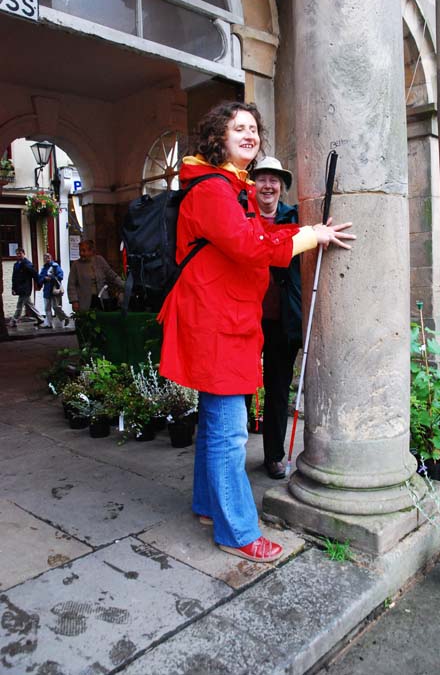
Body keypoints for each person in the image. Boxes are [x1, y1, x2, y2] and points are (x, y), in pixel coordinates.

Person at [157, 101, 355, 564]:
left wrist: (303, 232)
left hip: (221, 317)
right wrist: (309, 236)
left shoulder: (226, 186)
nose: (248, 134)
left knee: (215, 424)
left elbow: (252, 238)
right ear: (217, 137)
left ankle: (208, 506)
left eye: (253, 128)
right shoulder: (212, 188)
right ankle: (237, 530)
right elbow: (248, 245)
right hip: (217, 321)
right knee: (228, 432)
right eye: (237, 128)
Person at [251, 156, 302, 479]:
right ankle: (231, 452)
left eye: (274, 180)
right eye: (261, 179)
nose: (268, 185)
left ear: (281, 186)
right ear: (252, 184)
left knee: (278, 389)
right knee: (237, 388)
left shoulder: (295, 217)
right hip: (246, 318)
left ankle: (273, 455)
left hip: (282, 320)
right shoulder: (243, 217)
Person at [67, 239, 125, 313]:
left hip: (101, 300)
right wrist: (74, 301)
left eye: (84, 251)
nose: (81, 253)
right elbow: (71, 285)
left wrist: (125, 285)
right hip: (84, 301)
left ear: (91, 251)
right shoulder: (76, 265)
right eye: (80, 251)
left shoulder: (100, 260)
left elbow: (112, 275)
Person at [10, 248, 44, 327]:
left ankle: (13, 321)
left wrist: (39, 283)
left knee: (20, 305)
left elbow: (34, 274)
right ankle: (40, 318)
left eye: (20, 253)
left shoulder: (27, 264)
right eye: (17, 253)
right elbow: (14, 278)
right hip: (20, 288)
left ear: (24, 254)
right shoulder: (16, 265)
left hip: (25, 288)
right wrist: (13, 288)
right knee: (29, 304)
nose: (18, 255)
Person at [38, 252, 71, 328]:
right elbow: (40, 278)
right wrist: (44, 279)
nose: (47, 259)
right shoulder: (44, 268)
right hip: (46, 290)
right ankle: (49, 324)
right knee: (47, 308)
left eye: (48, 258)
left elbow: (60, 276)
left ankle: (65, 317)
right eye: (45, 258)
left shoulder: (55, 266)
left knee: (55, 307)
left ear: (51, 258)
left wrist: (51, 278)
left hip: (54, 289)